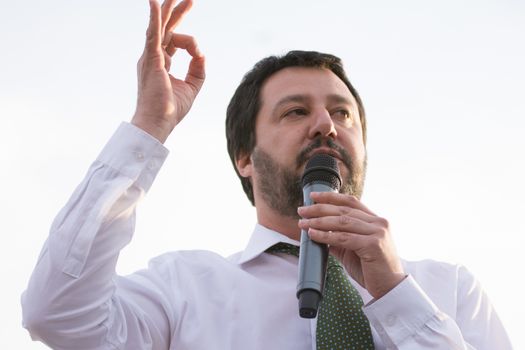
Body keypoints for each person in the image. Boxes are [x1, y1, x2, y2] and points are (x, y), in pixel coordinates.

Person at [21, 0, 512, 349]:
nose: (325, 125)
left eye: (343, 114)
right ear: (244, 158)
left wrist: (398, 298)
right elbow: (55, 315)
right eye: (296, 112)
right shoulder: (183, 289)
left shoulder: (448, 290)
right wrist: (149, 126)